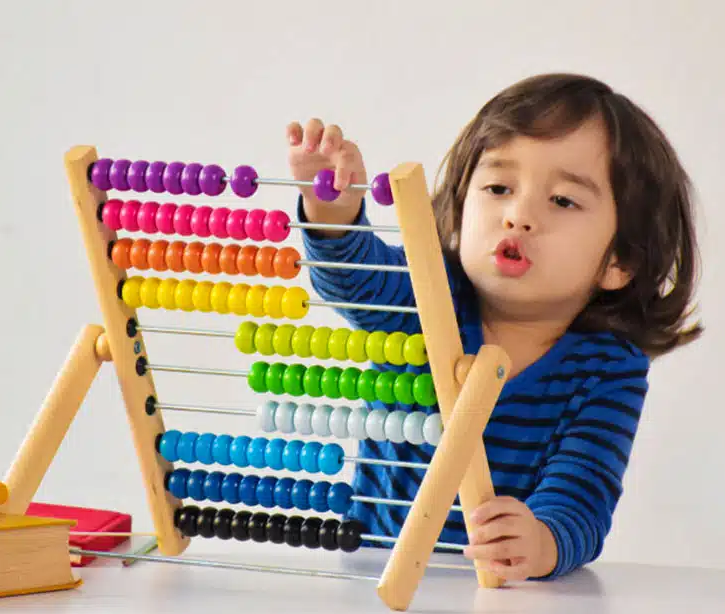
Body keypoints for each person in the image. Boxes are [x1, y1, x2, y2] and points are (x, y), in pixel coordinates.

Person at [286, 73, 702, 581]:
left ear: (619, 260)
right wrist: (332, 209)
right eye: (499, 187)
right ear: (462, 208)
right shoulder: (428, 297)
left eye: (563, 200)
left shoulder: (608, 367)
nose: (519, 215)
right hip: (373, 573)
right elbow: (356, 282)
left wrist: (544, 540)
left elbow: (584, 490)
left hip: (502, 590)